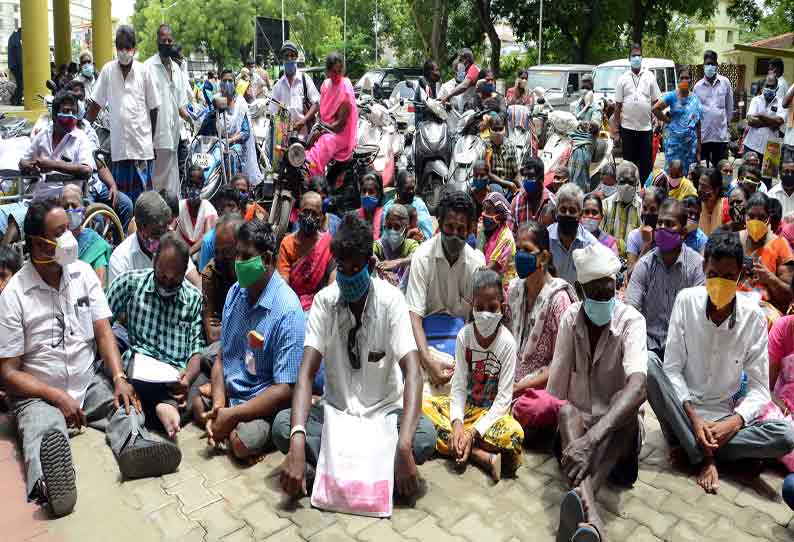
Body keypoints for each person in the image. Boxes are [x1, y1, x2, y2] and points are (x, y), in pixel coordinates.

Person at [0, 198, 180, 517]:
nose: (69, 238)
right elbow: (8, 373)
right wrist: (55, 396)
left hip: (87, 379)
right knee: (43, 429)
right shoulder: (14, 295)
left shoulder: (82, 274)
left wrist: (120, 378)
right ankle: (49, 485)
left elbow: (104, 332)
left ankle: (134, 447)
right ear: (38, 245)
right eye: (59, 233)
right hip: (40, 393)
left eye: (68, 229)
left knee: (125, 406)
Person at [275, 214, 437, 498]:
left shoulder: (391, 300)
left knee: (423, 436)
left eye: (356, 268)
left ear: (371, 265)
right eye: (342, 268)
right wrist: (298, 441)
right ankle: (375, 475)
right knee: (284, 427)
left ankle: (330, 472)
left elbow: (413, 372)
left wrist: (403, 445)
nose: (348, 276)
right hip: (336, 413)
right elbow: (306, 374)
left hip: (383, 415)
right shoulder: (325, 302)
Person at [647, 230, 794, 495]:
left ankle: (693, 449)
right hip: (682, 411)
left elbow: (760, 389)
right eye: (713, 274)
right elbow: (671, 369)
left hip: (724, 419)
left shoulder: (754, 318)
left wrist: (734, 422)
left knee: (786, 436)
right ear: (704, 268)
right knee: (647, 364)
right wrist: (693, 418)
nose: (719, 283)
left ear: (739, 276)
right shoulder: (686, 301)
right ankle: (708, 455)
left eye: (728, 277)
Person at [548, 241, 648, 542]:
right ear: (580, 292)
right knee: (567, 411)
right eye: (597, 294)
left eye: (610, 292)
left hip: (617, 441)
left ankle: (583, 497)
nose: (606, 299)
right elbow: (559, 395)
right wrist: (582, 439)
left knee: (625, 405)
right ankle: (590, 514)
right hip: (576, 440)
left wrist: (591, 439)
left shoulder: (631, 321)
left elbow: (639, 385)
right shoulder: (570, 320)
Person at [194, 220, 305, 459]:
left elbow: (285, 389)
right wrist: (220, 405)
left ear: (266, 259)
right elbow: (223, 357)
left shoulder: (288, 310)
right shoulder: (236, 292)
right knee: (199, 406)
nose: (238, 263)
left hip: (262, 402)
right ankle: (224, 420)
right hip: (234, 388)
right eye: (237, 255)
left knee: (240, 444)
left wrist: (234, 415)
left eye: (246, 256)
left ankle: (235, 428)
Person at [422, 269, 524, 481]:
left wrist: (471, 433)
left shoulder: (507, 343)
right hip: (464, 410)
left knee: (514, 435)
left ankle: (459, 445)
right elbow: (458, 387)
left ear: (502, 308)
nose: (485, 313)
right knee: (423, 407)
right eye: (480, 307)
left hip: (490, 417)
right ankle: (480, 455)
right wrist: (458, 424)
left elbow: (504, 399)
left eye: (492, 308)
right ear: (472, 306)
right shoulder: (464, 336)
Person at [107, 233, 204, 437]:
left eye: (174, 280)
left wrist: (188, 377)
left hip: (174, 375)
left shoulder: (193, 299)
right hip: (139, 366)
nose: (167, 284)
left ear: (184, 272)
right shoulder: (130, 284)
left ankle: (154, 411)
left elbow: (197, 349)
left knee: (198, 391)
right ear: (154, 261)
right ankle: (163, 409)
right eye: (161, 276)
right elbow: (102, 327)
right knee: (128, 371)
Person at [407, 190, 485, 386]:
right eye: (450, 227)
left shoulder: (476, 263)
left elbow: (477, 321)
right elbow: (414, 317)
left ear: (470, 230)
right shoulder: (422, 257)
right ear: (440, 224)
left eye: (461, 229)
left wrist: (463, 364)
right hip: (426, 343)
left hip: (461, 347)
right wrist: (427, 360)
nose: (455, 235)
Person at [507, 221, 577, 433]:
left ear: (544, 258)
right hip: (512, 379)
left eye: (526, 250)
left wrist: (521, 387)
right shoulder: (514, 290)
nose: (520, 255)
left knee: (539, 407)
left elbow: (563, 364)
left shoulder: (559, 299)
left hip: (542, 385)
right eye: (517, 249)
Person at [85, 26, 160, 203]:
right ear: (116, 47)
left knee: (144, 201)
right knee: (121, 200)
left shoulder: (144, 72)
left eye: (128, 48)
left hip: (142, 148)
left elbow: (154, 108)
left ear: (134, 49)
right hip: (119, 150)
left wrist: (152, 139)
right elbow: (96, 104)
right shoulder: (108, 71)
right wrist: (84, 127)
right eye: (120, 47)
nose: (124, 52)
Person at [627, 198, 705, 357]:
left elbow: (700, 316)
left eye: (669, 224)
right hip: (648, 349)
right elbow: (630, 312)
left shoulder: (697, 266)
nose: (662, 228)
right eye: (660, 223)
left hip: (684, 351)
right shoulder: (644, 265)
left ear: (683, 233)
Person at [108, 191, 200, 288]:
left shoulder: (172, 244)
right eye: (156, 234)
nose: (162, 238)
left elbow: (196, 281)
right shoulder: (121, 260)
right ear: (141, 227)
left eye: (165, 231)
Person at [145, 24, 190, 197]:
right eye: (163, 40)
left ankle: (172, 220)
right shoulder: (148, 68)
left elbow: (180, 105)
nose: (167, 43)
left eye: (170, 40)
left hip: (174, 137)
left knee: (173, 184)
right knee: (156, 185)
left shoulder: (177, 70)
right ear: (157, 40)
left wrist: (193, 119)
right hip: (156, 139)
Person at [276, 192, 336, 312]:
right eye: (306, 212)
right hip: (292, 305)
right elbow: (283, 283)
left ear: (321, 217)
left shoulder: (328, 243)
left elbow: (333, 283)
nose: (309, 217)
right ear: (298, 213)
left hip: (320, 306)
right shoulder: (287, 244)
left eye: (314, 213)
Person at [612, 43, 661, 183]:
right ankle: (629, 193)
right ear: (629, 58)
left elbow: (656, 101)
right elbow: (617, 106)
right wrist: (615, 131)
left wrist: (658, 121)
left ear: (642, 57)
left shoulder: (649, 76)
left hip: (645, 130)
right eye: (634, 55)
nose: (636, 58)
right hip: (627, 129)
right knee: (629, 166)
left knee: (646, 166)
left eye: (638, 55)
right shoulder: (622, 79)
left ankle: (645, 194)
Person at [18, 91, 93, 182]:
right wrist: (29, 166)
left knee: (69, 194)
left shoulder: (81, 138)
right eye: (66, 111)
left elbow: (86, 170)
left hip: (69, 190)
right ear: (54, 115)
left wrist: (54, 165)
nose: (71, 116)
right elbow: (23, 161)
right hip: (40, 191)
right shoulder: (43, 134)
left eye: (74, 112)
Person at [738, 192, 794, 313]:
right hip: (736, 305)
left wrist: (769, 278)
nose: (755, 221)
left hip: (766, 312)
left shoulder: (780, 245)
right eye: (751, 216)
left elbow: (789, 295)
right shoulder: (734, 240)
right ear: (745, 216)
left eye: (761, 217)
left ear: (769, 218)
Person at [306, 53, 357, 177]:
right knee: (309, 140)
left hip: (340, 134)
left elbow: (340, 125)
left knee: (325, 141)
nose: (337, 75)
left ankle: (311, 172)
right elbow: (321, 112)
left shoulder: (345, 88)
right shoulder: (325, 86)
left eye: (339, 71)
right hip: (326, 128)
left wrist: (322, 129)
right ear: (328, 71)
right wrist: (318, 128)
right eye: (334, 72)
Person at [215, 69, 263, 185]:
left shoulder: (240, 103)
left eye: (230, 81)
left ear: (235, 83)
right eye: (224, 80)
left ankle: (233, 187)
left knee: (231, 156)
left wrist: (230, 140)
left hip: (237, 145)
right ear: (220, 83)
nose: (227, 84)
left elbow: (245, 132)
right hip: (219, 142)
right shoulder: (217, 100)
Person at [202, 213, 243, 345]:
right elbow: (212, 335)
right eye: (216, 252)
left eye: (226, 252)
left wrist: (225, 326)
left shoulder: (252, 272)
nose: (219, 258)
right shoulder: (211, 273)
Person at [61, 184, 112, 288]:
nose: (70, 211)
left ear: (83, 212)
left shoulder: (95, 245)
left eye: (74, 206)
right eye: (65, 207)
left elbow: (101, 287)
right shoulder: (57, 241)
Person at [654, 69, 702, 174]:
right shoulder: (672, 96)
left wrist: (699, 144)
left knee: (689, 173)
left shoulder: (695, 99)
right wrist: (668, 120)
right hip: (674, 143)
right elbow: (655, 109)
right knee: (672, 172)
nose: (684, 80)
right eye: (682, 78)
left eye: (687, 78)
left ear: (691, 81)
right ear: (678, 80)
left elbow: (698, 122)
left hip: (690, 145)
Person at [549, 183, 597, 285]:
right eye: (563, 209)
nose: (567, 214)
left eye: (572, 210)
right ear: (556, 212)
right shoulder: (545, 238)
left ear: (580, 214)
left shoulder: (590, 244)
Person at [270, 41, 319, 138]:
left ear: (296, 57)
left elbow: (317, 103)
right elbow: (273, 112)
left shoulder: (305, 80)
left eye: (292, 55)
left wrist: (303, 121)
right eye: (286, 56)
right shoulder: (278, 86)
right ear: (282, 59)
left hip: (306, 137)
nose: (289, 59)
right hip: (285, 139)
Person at [694, 50, 734, 167]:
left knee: (720, 169)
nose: (710, 66)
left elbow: (729, 106)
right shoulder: (697, 87)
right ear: (703, 65)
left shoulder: (725, 82)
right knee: (702, 170)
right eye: (708, 64)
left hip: (720, 136)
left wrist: (727, 124)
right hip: (704, 137)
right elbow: (696, 113)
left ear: (717, 65)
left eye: (712, 64)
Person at [602, 160, 643, 257]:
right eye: (623, 181)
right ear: (616, 182)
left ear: (637, 184)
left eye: (631, 182)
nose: (626, 186)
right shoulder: (605, 205)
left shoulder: (642, 208)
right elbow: (599, 236)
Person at [374, 203, 419, 291]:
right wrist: (383, 272)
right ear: (384, 227)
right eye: (389, 226)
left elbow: (417, 256)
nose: (392, 230)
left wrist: (398, 262)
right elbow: (368, 253)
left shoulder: (411, 244)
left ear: (405, 229)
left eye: (397, 227)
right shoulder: (380, 244)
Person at [198, 185, 243, 271]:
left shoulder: (247, 234)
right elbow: (204, 275)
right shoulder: (208, 241)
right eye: (222, 207)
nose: (227, 211)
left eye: (231, 205)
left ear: (239, 208)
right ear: (217, 210)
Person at [477, 192, 516, 291]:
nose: (484, 214)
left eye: (488, 211)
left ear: (499, 215)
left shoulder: (506, 238)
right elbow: (478, 253)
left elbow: (492, 267)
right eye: (484, 209)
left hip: (503, 288)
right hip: (487, 283)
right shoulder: (484, 231)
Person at [177, 165, 218, 255]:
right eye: (191, 183)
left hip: (202, 256)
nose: (193, 187)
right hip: (182, 254)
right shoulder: (180, 206)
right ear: (186, 183)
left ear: (202, 185)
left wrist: (190, 252)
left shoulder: (208, 208)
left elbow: (208, 238)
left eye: (197, 184)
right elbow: (173, 232)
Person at [744, 74, 785, 164]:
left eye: (772, 86)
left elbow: (779, 121)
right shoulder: (755, 100)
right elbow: (750, 121)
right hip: (752, 145)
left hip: (772, 149)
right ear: (763, 86)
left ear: (777, 88)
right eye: (767, 86)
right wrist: (772, 123)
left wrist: (760, 115)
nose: (769, 88)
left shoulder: (781, 103)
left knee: (767, 178)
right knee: (749, 175)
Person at [382, 169, 433, 241]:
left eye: (412, 188)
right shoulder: (388, 208)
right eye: (407, 189)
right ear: (398, 190)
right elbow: (385, 237)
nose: (411, 192)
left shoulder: (419, 205)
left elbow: (428, 234)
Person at [626, 186, 666, 276]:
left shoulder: (668, 235)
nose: (647, 213)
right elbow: (630, 275)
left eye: (652, 209)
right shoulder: (634, 236)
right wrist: (646, 245)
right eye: (645, 208)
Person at [511, 155, 555, 234]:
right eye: (525, 176)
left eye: (531, 176)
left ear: (541, 178)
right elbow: (512, 234)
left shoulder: (552, 202)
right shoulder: (517, 202)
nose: (527, 180)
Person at [482, 115, 520, 195]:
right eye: (495, 129)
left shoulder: (511, 145)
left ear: (504, 129)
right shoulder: (486, 147)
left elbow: (516, 171)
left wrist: (521, 188)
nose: (498, 133)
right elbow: (487, 173)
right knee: (497, 190)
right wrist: (508, 184)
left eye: (500, 129)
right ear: (490, 129)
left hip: (510, 187)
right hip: (494, 186)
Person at [697, 166, 728, 235]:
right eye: (699, 184)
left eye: (704, 186)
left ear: (716, 190)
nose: (699, 189)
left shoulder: (727, 208)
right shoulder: (696, 207)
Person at [357, 172, 384, 240]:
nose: (366, 195)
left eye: (371, 192)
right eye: (364, 191)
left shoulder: (385, 217)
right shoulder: (354, 217)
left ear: (379, 194)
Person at [7, 27, 22, 106]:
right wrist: (21, 65)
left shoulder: (14, 37)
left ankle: (15, 100)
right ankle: (15, 100)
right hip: (15, 65)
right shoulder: (15, 38)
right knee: (21, 84)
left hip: (13, 64)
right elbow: (18, 53)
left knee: (21, 84)